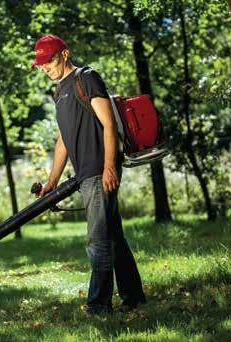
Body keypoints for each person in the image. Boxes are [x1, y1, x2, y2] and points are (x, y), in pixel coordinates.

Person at [32, 35, 146, 315]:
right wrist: (51, 182)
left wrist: (109, 167)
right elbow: (62, 140)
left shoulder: (87, 79)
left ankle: (98, 306)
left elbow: (108, 124)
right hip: (84, 173)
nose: (46, 68)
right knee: (113, 236)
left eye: (50, 61)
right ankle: (133, 296)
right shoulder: (59, 92)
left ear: (65, 54)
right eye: (42, 65)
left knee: (98, 240)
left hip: (99, 169)